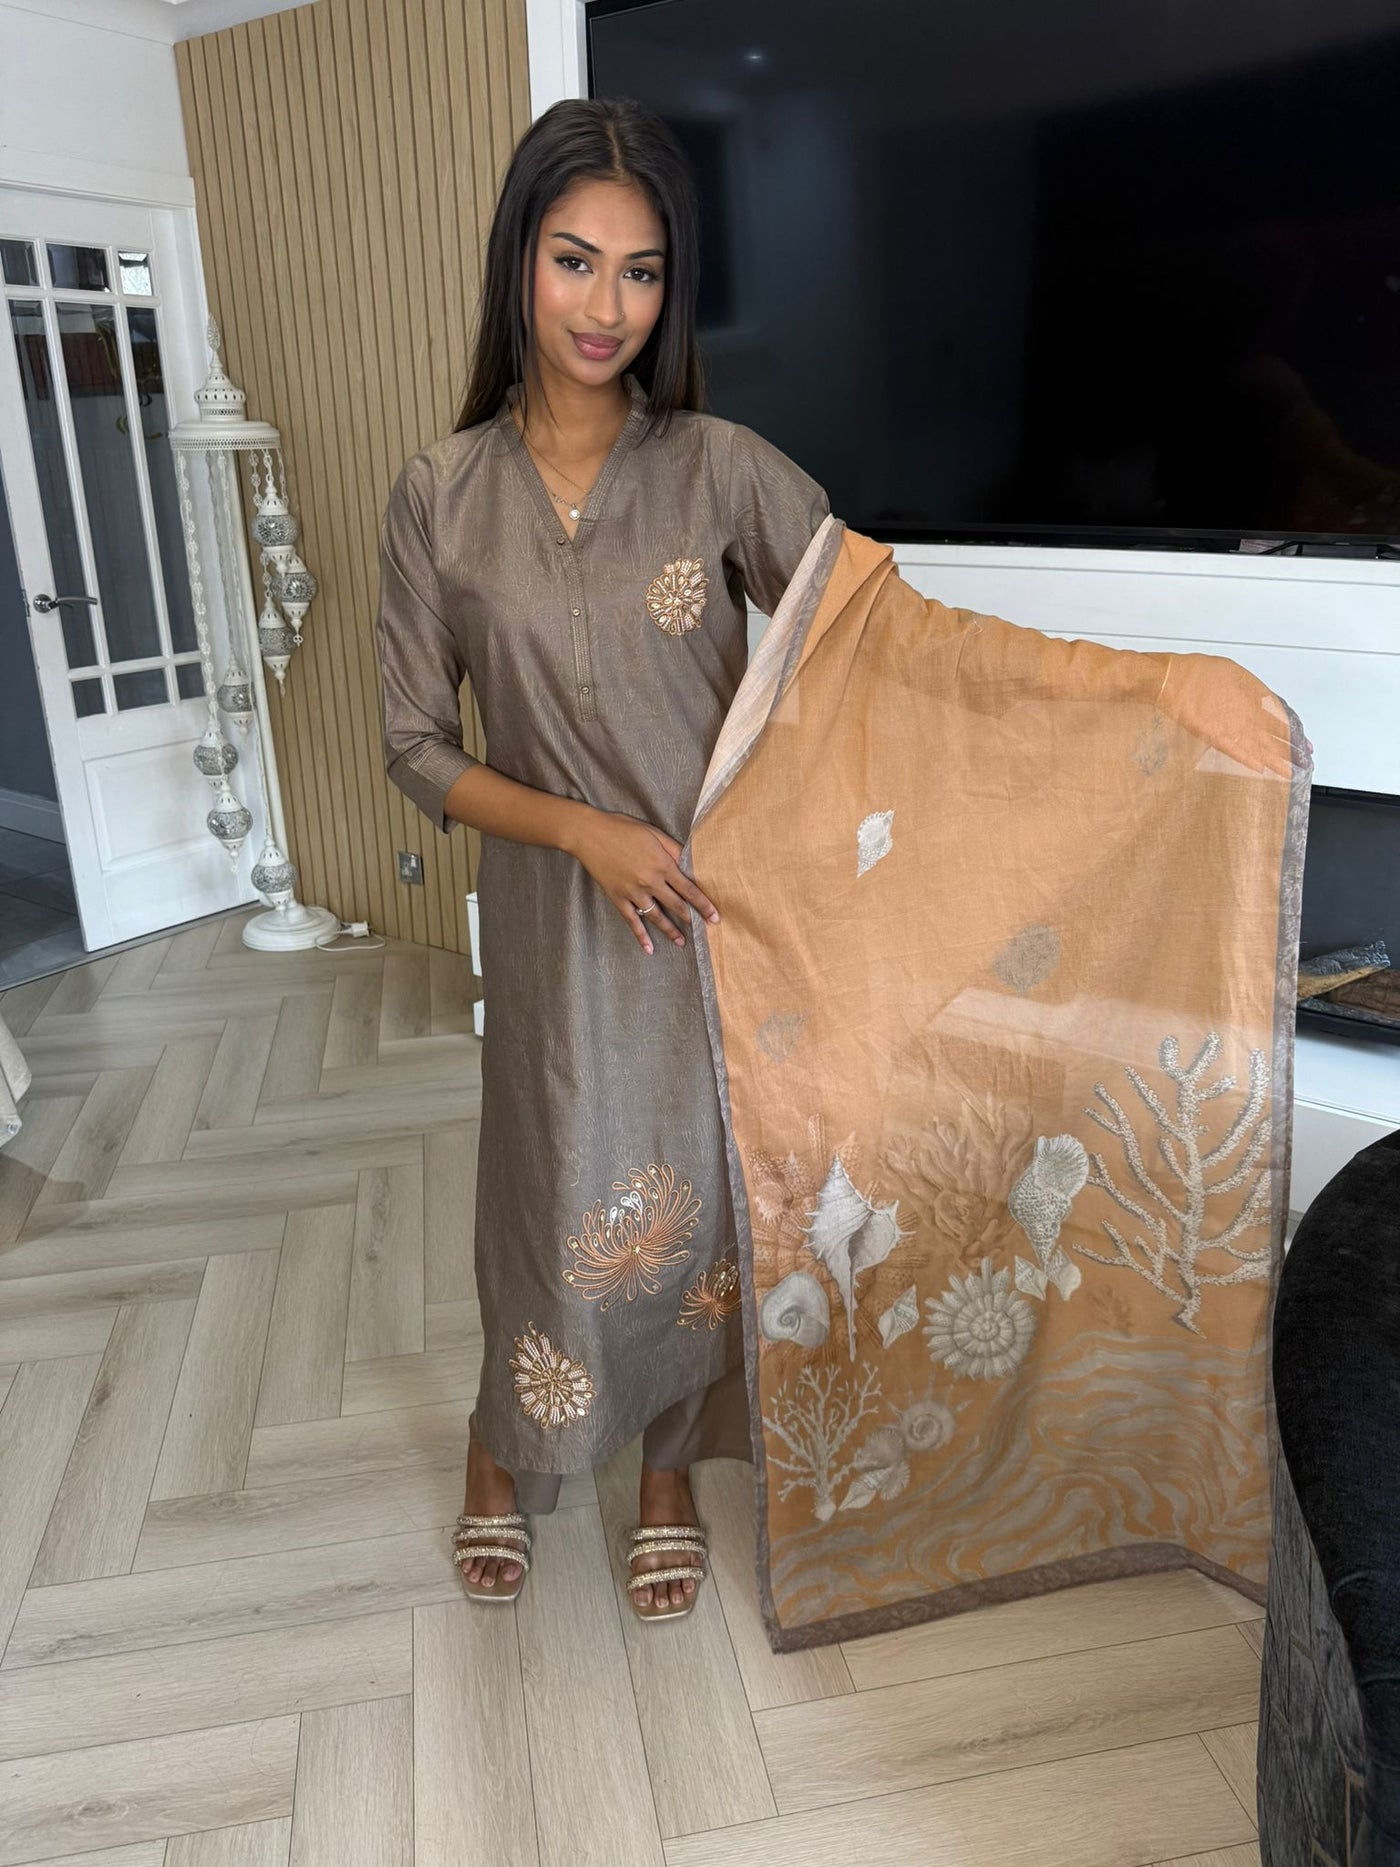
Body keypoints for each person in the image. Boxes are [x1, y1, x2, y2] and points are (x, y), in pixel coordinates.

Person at [373, 95, 829, 1619]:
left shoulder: (721, 470)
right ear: (520, 260)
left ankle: (667, 1469)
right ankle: (505, 1440)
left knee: (693, 1202)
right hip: (549, 916)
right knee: (547, 1180)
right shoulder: (442, 497)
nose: (605, 306)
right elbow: (414, 745)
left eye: (641, 273)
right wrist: (584, 830)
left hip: (698, 921)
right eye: (574, 260)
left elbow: (858, 640)